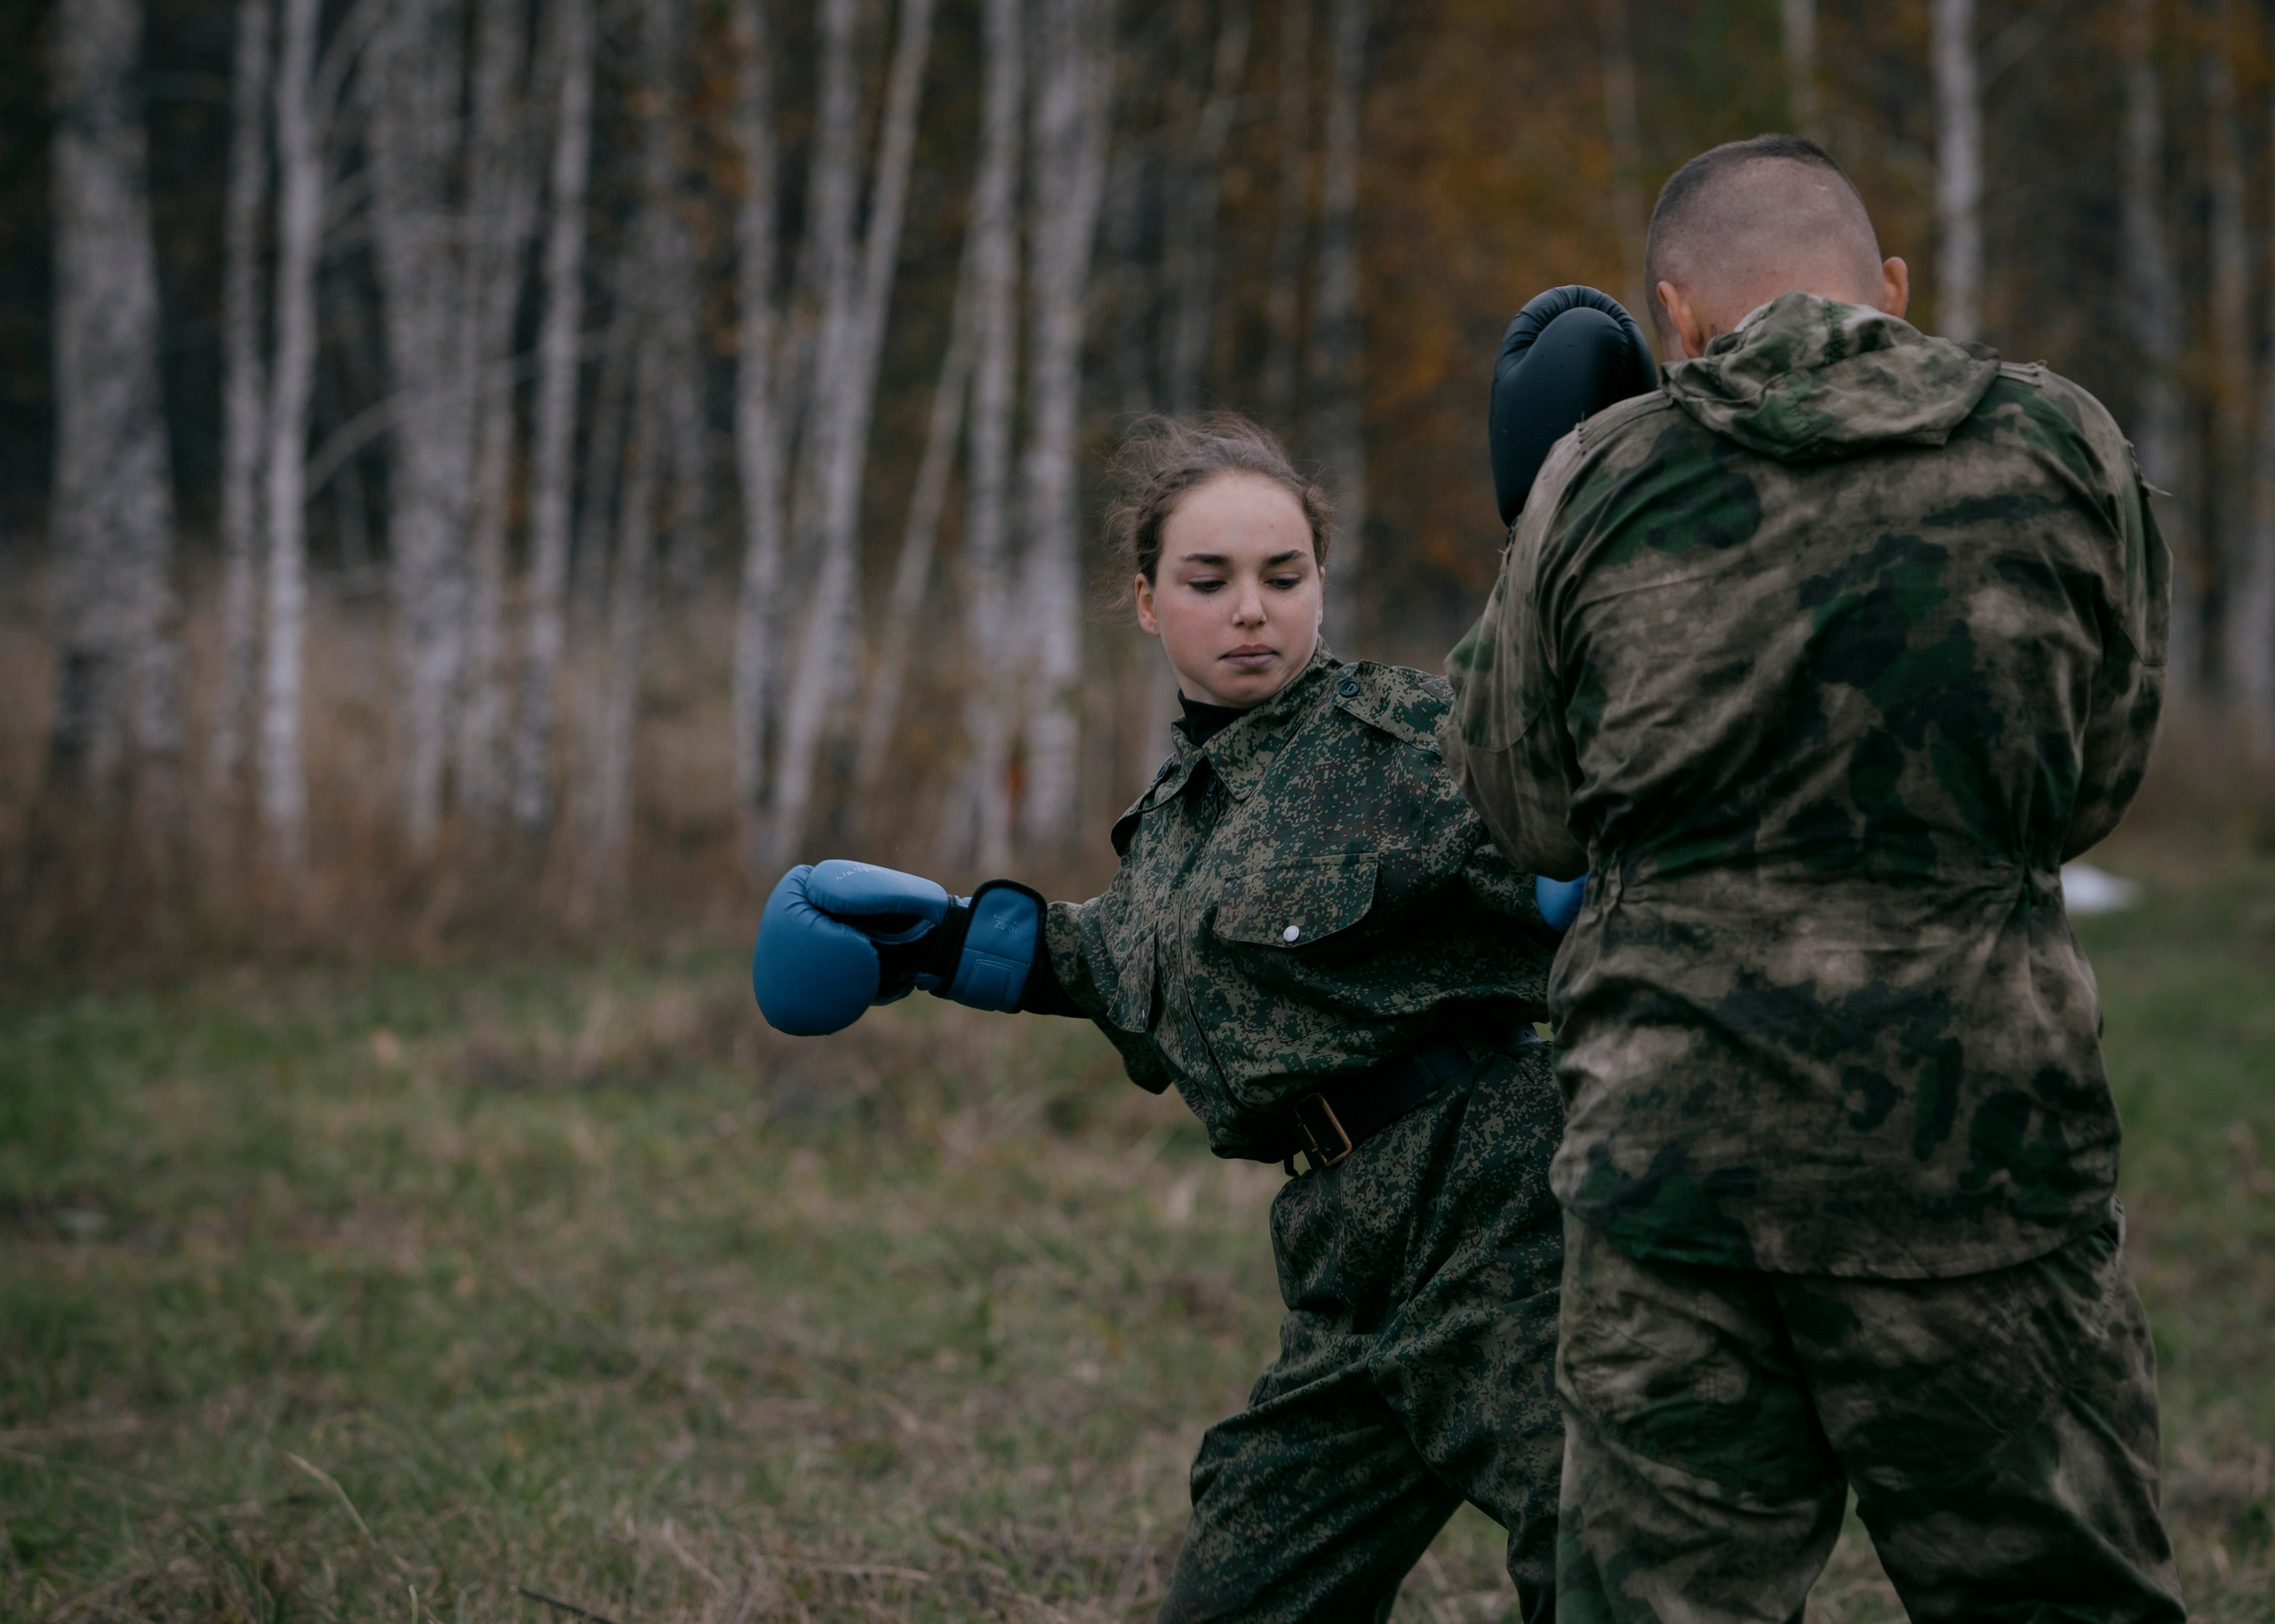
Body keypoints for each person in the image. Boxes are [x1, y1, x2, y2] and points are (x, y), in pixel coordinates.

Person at [1442, 134, 2183, 1622]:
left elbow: (1520, 812)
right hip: (1981, 1163)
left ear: (1678, 318)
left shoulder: (1601, 477)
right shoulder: (2067, 447)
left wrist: (1537, 529)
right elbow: (2094, 780)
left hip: (1676, 1182)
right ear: (1892, 288)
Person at [754, 412, 1596, 1622]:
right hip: (1342, 1266)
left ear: (1319, 585)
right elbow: (1120, 967)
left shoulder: (1415, 739)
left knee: (1608, 1572)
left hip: (1501, 1218)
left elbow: (1579, 829)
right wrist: (935, 944)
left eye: (1283, 576)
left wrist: (1586, 841)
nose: (1251, 609)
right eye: (1211, 580)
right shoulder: (1176, 822)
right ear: (1149, 602)